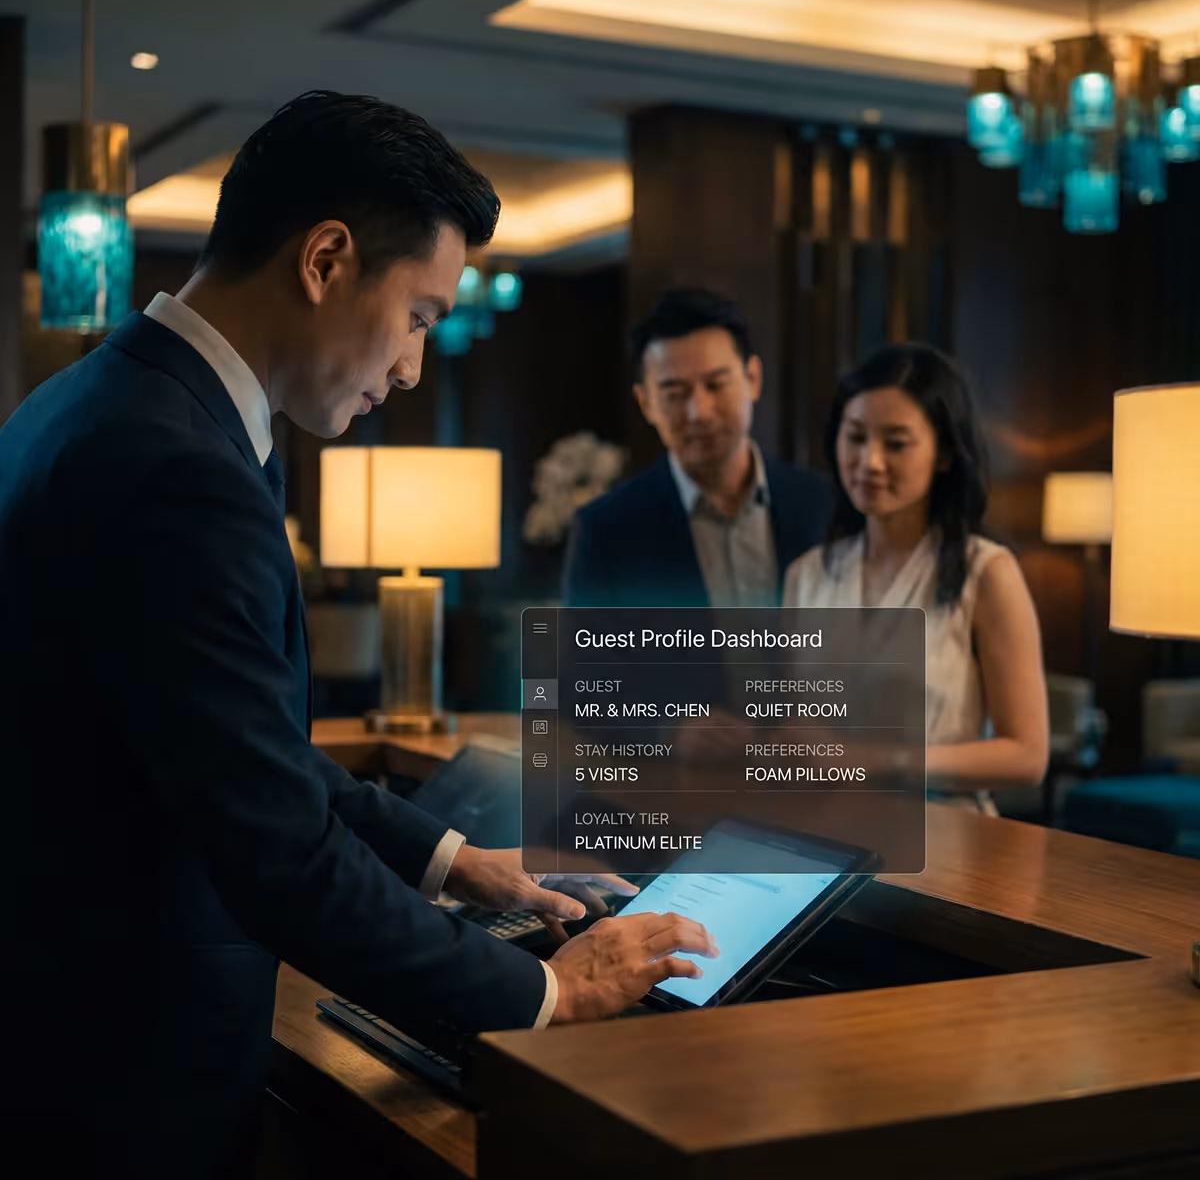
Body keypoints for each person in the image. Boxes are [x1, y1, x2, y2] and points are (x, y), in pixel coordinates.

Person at [0, 92, 715, 1178]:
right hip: (118, 1075)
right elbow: (274, 851)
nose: (416, 367)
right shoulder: (178, 466)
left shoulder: (94, 404)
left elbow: (245, 752)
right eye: (421, 316)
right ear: (327, 259)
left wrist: (457, 863)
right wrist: (551, 990)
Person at [784, 343, 1049, 813]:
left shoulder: (986, 572)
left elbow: (1027, 756)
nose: (870, 462)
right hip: (824, 829)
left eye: (896, 442)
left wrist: (874, 761)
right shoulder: (807, 574)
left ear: (945, 453)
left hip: (947, 836)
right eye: (856, 437)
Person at [563, 289, 829, 608]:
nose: (699, 412)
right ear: (646, 402)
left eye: (716, 385)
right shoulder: (607, 532)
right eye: (675, 393)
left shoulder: (823, 504)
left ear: (753, 379)